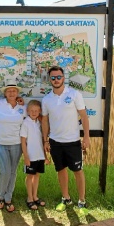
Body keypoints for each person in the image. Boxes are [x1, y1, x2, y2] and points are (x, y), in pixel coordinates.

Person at [41, 66, 90, 215]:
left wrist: (86, 137)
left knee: (78, 171)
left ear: (64, 77)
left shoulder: (75, 94)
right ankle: (66, 198)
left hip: (73, 141)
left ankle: (82, 201)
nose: (56, 80)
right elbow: (44, 120)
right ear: (50, 80)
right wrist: (46, 140)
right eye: (53, 77)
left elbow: (84, 116)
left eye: (59, 77)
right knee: (60, 171)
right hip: (55, 142)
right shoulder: (46, 99)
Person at [0, 79, 27, 212]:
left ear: (17, 93)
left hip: (16, 144)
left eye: (14, 90)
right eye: (9, 91)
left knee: (12, 172)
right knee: (4, 172)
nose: (11, 92)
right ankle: (1, 196)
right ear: (5, 93)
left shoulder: (23, 108)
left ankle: (8, 198)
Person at [20, 100, 49, 210]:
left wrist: (45, 157)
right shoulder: (25, 123)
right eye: (31, 110)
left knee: (37, 176)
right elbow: (23, 141)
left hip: (39, 156)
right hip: (30, 156)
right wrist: (26, 157)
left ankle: (35, 196)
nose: (34, 112)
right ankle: (29, 198)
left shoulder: (40, 123)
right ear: (27, 111)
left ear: (40, 111)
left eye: (36, 111)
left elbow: (42, 140)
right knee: (30, 176)